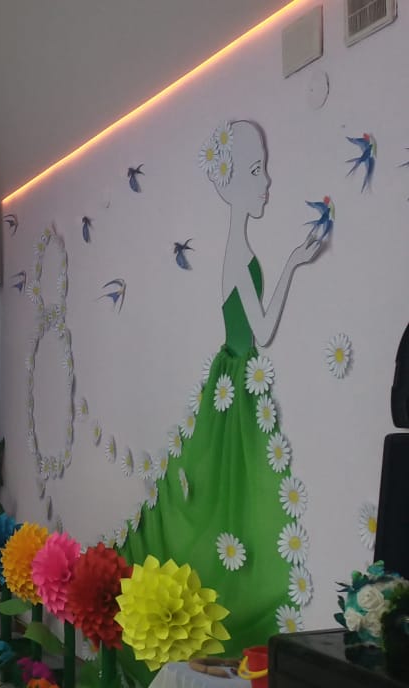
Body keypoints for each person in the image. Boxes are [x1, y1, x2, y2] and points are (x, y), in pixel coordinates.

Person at [120, 120, 323, 655]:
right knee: (230, 496)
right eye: (256, 171)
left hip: (236, 379)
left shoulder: (239, 247)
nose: (267, 183)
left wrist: (291, 262)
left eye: (264, 170)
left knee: (237, 498)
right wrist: (293, 263)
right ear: (230, 182)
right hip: (236, 383)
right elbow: (262, 330)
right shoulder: (238, 252)